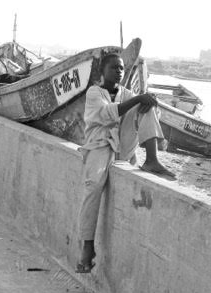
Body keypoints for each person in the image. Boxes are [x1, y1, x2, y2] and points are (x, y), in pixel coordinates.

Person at [75, 53, 175, 273]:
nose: (119, 72)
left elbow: (140, 109)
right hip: (100, 145)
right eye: (114, 68)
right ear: (103, 71)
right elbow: (106, 114)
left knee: (147, 105)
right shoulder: (94, 92)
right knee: (93, 186)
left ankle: (152, 159)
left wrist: (148, 101)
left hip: (122, 145)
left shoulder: (127, 93)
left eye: (121, 68)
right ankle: (87, 246)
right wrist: (138, 99)